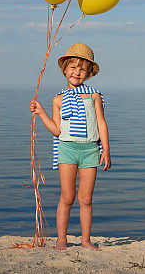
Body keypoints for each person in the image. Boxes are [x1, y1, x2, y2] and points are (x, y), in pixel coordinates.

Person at [30, 42, 111, 251]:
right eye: (73, 67)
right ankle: (61, 239)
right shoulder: (58, 99)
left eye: (82, 69)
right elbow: (57, 130)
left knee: (86, 199)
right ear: (65, 69)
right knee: (67, 197)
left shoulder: (94, 96)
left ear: (88, 73)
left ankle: (85, 240)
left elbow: (101, 123)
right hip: (67, 150)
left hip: (90, 150)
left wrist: (107, 151)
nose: (77, 72)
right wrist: (40, 112)